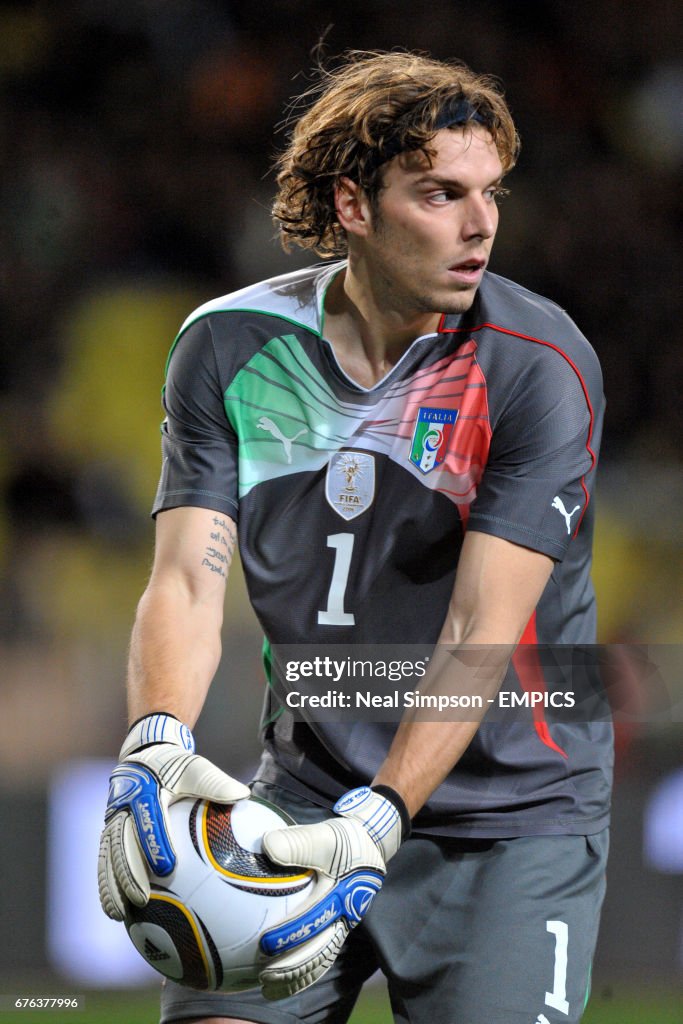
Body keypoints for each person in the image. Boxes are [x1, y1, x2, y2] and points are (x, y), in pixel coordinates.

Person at [98, 50, 611, 1024]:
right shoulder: (227, 346)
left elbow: (477, 631)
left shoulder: (533, 367)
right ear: (353, 205)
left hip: (503, 821)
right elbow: (185, 584)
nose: (479, 224)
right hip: (301, 792)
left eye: (488, 193)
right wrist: (153, 749)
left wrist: (377, 820)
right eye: (438, 193)